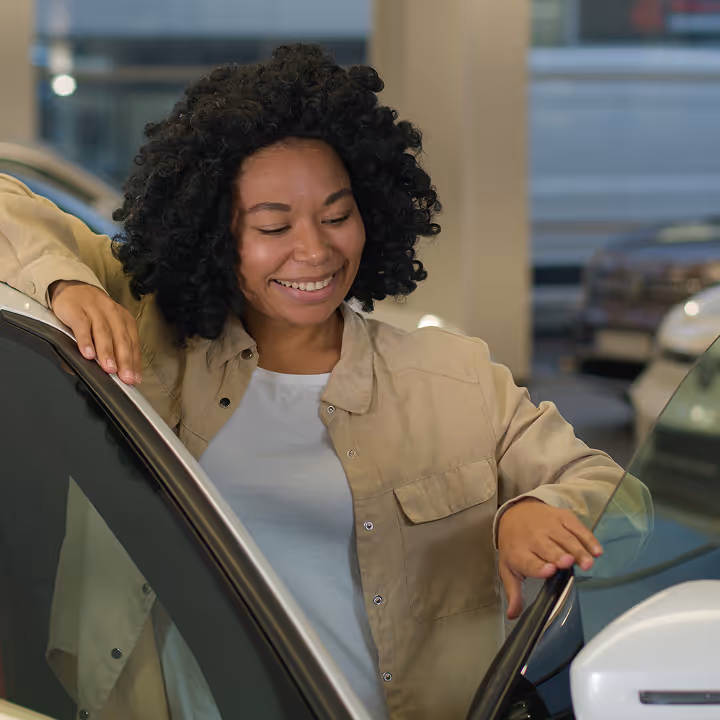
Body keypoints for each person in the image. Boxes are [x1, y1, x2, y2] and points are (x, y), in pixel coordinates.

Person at [0, 44, 623, 720]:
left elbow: (615, 493)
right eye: (273, 225)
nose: (316, 250)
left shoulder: (455, 380)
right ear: (210, 231)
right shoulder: (150, 331)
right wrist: (63, 282)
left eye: (336, 215)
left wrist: (532, 510)